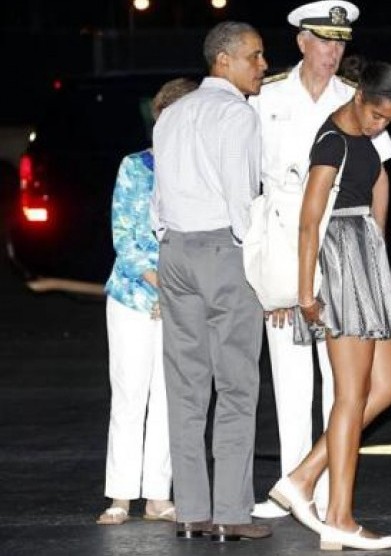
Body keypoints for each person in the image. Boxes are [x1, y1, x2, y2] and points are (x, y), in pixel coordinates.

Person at [247, 0, 391, 521]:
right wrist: (279, 281)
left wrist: (373, 245)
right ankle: (293, 489)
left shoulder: (355, 100)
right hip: (288, 247)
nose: (333, 52)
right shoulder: (265, 98)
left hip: (344, 248)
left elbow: (380, 175)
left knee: (344, 384)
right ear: (302, 42)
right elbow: (253, 186)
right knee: (290, 377)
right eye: (324, 41)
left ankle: (330, 490)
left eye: (341, 43)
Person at [267, 60, 391, 551]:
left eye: (390, 119)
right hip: (340, 261)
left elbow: (380, 181)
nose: (380, 125)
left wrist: (379, 240)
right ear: (358, 97)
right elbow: (309, 222)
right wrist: (306, 293)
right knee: (351, 394)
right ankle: (339, 516)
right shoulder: (331, 140)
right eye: (376, 115)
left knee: (387, 386)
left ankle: (303, 476)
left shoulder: (369, 139)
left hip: (364, 253)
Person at [150, 21, 271, 542]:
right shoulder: (237, 114)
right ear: (223, 61)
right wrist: (256, 256)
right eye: (255, 56)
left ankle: (191, 512)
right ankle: (231, 512)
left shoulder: (170, 115)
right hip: (224, 249)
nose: (263, 65)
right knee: (238, 385)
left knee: (186, 387)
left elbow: (159, 196)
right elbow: (241, 198)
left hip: (175, 250)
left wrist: (168, 237)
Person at [96, 77, 198, 526]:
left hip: (179, 298)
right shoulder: (135, 167)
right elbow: (128, 240)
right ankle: (120, 495)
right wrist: (163, 287)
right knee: (130, 393)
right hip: (133, 298)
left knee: (170, 398)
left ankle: (158, 495)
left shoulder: (200, 172)